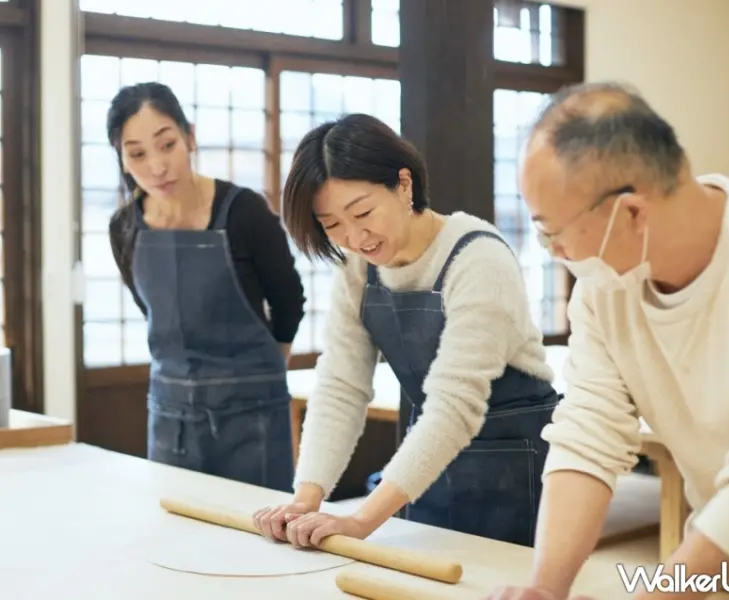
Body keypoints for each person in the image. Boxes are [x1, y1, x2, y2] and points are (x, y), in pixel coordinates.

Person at [486, 82, 729, 600]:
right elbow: (589, 434)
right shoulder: (605, 287)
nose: (552, 250)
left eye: (551, 232)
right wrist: (544, 589)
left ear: (631, 212)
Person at [252, 113, 561, 548]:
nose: (356, 237)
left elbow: (455, 405)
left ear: (403, 184)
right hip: (426, 467)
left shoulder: (477, 257)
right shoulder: (358, 271)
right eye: (332, 225)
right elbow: (341, 386)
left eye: (362, 212)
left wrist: (361, 520)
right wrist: (307, 498)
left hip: (517, 468)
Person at [106, 82, 305, 492]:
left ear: (189, 137)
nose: (157, 166)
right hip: (171, 416)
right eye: (137, 153)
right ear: (123, 160)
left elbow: (288, 299)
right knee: (175, 539)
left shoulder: (243, 211)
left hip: (254, 415)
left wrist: (266, 368)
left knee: (257, 542)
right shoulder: (124, 227)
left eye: (167, 145)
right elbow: (152, 312)